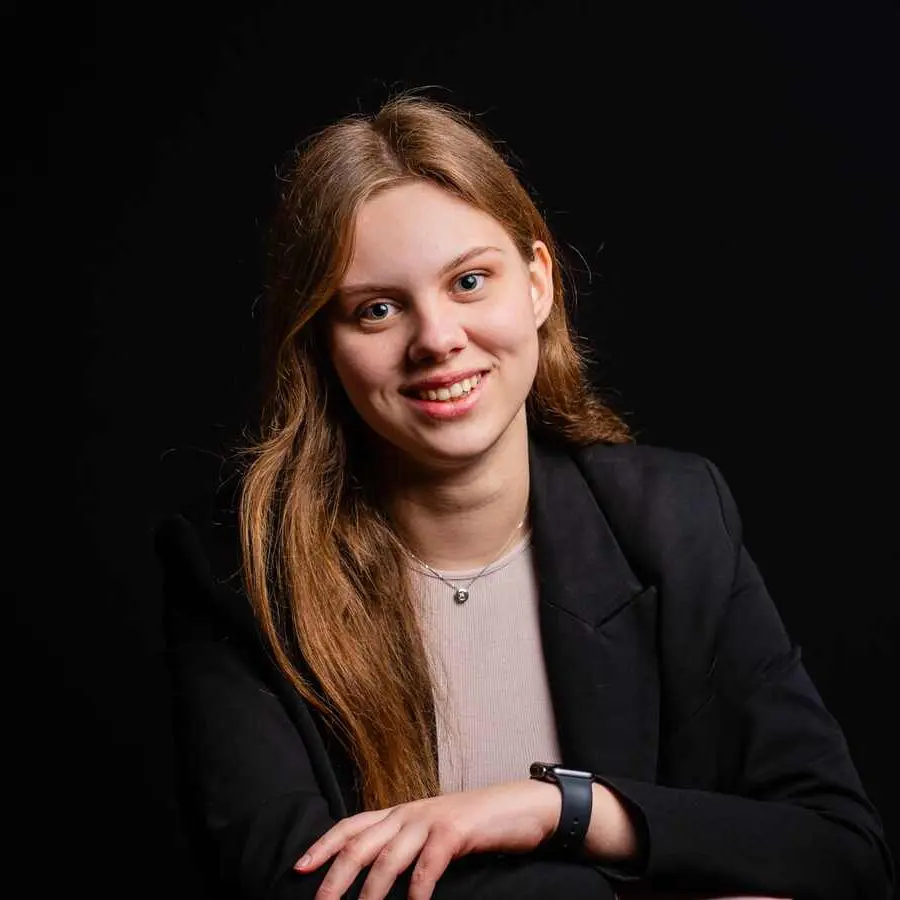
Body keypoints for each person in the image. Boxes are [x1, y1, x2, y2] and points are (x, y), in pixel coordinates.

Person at [154, 92, 894, 900]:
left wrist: (560, 809)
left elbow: (842, 852)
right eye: (376, 309)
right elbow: (293, 887)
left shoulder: (674, 516)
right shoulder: (239, 569)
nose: (436, 338)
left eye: (470, 280)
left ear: (537, 284)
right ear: (322, 346)